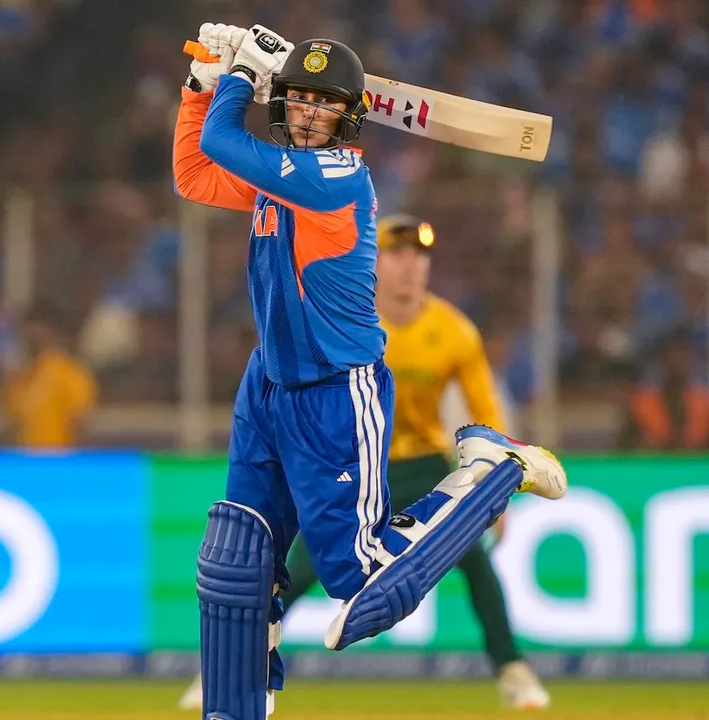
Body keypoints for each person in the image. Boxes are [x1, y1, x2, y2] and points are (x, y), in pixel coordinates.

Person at [173, 23, 567, 719]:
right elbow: (195, 174)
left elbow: (219, 143)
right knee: (238, 565)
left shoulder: (335, 177)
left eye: (325, 103)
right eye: (297, 98)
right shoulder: (279, 175)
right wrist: (204, 78)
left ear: (350, 115)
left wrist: (238, 74)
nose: (308, 113)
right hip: (266, 387)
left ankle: (493, 467)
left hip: (334, 390)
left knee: (368, 584)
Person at [179, 215, 549, 710]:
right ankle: (232, 669)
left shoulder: (454, 332)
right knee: (299, 570)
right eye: (397, 254)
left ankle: (513, 671)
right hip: (351, 465)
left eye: (418, 256)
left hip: (420, 464)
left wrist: (491, 492)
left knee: (477, 565)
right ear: (375, 261)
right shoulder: (348, 322)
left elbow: (485, 412)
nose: (409, 266)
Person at [0, 304, 97, 449]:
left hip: (57, 462)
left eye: (39, 328)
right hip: (25, 462)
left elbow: (79, 424)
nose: (32, 334)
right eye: (28, 328)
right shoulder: (18, 378)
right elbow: (11, 426)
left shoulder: (70, 373)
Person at [618, 329, 709, 451]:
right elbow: (623, 456)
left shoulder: (705, 405)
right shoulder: (639, 406)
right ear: (661, 359)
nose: (678, 361)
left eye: (684, 354)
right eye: (673, 354)